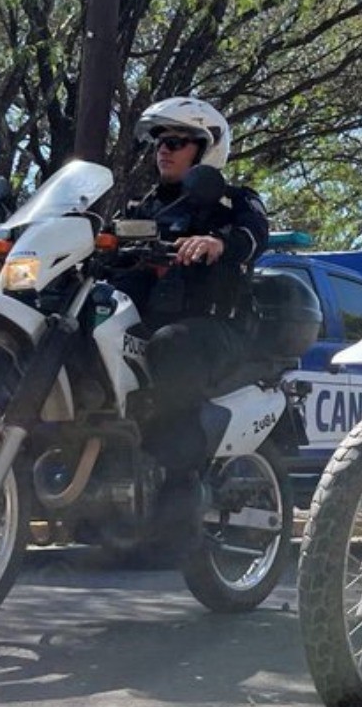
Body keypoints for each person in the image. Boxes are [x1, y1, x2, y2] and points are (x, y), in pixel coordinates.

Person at [115, 96, 269, 544]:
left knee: (170, 345)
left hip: (218, 329)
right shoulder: (141, 209)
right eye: (161, 141)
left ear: (206, 149)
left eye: (179, 141)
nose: (165, 149)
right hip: (150, 323)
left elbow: (253, 235)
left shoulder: (232, 201)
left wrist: (220, 243)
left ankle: (179, 481)